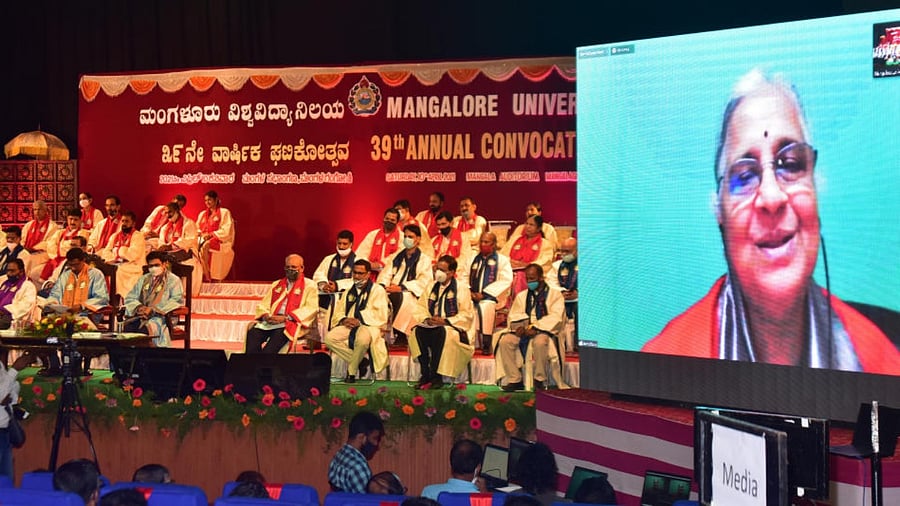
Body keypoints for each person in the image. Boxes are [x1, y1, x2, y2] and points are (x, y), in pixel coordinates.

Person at [642, 69, 900, 373]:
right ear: (719, 212)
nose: (772, 197)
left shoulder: (882, 360)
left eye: (790, 164)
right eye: (745, 176)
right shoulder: (663, 364)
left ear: (815, 186)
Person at [495, 263, 566, 391]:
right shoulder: (522, 296)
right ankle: (515, 379)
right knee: (505, 341)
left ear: (541, 278)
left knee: (540, 342)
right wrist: (519, 327)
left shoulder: (555, 295)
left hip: (545, 330)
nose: (529, 282)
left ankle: (539, 378)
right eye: (527, 279)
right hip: (526, 330)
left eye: (532, 278)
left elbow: (556, 317)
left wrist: (536, 327)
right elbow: (514, 315)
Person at [410, 255, 474, 388]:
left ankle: (436, 376)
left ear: (452, 273)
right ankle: (425, 374)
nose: (438, 273)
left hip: (451, 326)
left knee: (441, 333)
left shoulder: (461, 288)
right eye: (437, 269)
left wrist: (445, 321)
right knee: (417, 332)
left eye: (442, 270)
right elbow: (420, 306)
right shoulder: (431, 286)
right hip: (432, 324)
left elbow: (466, 314)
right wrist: (427, 319)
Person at [325, 260, 390, 383]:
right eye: (355, 273)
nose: (357, 276)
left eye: (361, 273)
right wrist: (344, 319)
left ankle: (352, 372)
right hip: (350, 325)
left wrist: (359, 320)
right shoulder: (349, 290)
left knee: (362, 340)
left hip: (370, 326)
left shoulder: (377, 290)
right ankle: (360, 361)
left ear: (368, 274)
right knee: (329, 339)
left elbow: (380, 314)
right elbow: (339, 311)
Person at [246, 254, 318, 353]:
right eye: (287, 267)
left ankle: (263, 366)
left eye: (293, 267)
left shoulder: (310, 285)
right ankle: (252, 366)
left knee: (270, 349)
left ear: (302, 268)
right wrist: (266, 316)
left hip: (291, 322)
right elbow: (264, 304)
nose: (290, 270)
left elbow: (311, 308)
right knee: (253, 334)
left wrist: (286, 318)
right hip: (272, 321)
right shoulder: (277, 284)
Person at [377, 224, 434, 345]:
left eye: (411, 236)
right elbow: (385, 274)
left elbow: (424, 281)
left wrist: (402, 287)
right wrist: (383, 286)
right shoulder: (396, 257)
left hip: (411, 292)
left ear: (418, 239)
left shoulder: (424, 259)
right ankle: (379, 335)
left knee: (402, 297)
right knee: (378, 294)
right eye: (405, 236)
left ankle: (400, 334)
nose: (407, 239)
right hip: (392, 289)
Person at [463, 232, 513, 355]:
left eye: (486, 242)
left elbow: (506, 280)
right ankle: (467, 341)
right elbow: (463, 277)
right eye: (481, 241)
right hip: (471, 296)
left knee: (486, 306)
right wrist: (469, 291)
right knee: (465, 306)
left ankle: (486, 341)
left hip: (493, 297)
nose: (482, 244)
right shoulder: (471, 259)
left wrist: (485, 294)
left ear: (494, 244)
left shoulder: (502, 260)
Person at [123, 251, 184, 347]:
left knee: (145, 330)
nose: (153, 268)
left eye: (156, 265)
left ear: (164, 264)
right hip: (142, 315)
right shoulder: (143, 279)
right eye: (150, 266)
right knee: (127, 328)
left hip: (162, 317)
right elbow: (130, 297)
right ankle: (130, 360)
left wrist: (153, 309)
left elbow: (176, 300)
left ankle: (148, 359)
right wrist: (139, 307)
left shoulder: (174, 280)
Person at [328, 410, 384, 493]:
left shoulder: (339, 455)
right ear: (361, 437)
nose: (376, 444)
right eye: (375, 438)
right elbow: (366, 502)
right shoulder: (358, 467)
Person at [501, 215, 555, 297]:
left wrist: (528, 265)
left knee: (519, 276)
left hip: (529, 273)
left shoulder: (545, 243)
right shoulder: (515, 239)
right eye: (526, 224)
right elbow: (502, 255)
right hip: (510, 270)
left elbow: (545, 261)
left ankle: (519, 303)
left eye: (531, 225)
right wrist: (510, 261)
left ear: (539, 228)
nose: (527, 227)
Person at [0, 352, 34, 480]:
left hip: (4, 430)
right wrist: (14, 369)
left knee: (7, 482)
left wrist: (9, 397)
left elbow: (12, 389)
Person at [156, 201, 201, 296]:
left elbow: (189, 241)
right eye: (166, 213)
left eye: (170, 212)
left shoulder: (188, 224)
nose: (168, 215)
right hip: (169, 254)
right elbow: (161, 242)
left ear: (177, 211)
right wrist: (163, 247)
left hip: (185, 253)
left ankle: (170, 290)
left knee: (168, 259)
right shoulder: (165, 228)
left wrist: (171, 246)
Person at [101, 210, 147, 297]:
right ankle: (110, 299)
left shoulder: (138, 236)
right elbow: (106, 252)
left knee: (118, 271)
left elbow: (133, 254)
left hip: (134, 266)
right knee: (107, 269)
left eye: (127, 221)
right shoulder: (115, 236)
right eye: (122, 221)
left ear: (133, 223)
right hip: (117, 264)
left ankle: (122, 299)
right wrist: (117, 255)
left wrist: (117, 250)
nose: (124, 223)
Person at [40, 208, 90, 282]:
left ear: (80, 221)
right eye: (70, 219)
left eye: (75, 220)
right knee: (35, 273)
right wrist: (57, 255)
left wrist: (60, 247)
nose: (72, 222)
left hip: (73, 261)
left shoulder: (83, 233)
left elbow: (76, 249)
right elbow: (51, 245)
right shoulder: (60, 232)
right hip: (56, 258)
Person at [546, 237, 578, 352]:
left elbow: (593, 284)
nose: (564, 254)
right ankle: (555, 344)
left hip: (580, 300)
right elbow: (550, 282)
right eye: (562, 251)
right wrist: (561, 292)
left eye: (567, 251)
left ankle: (578, 344)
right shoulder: (557, 265)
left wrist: (578, 293)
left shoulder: (587, 264)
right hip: (561, 299)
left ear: (577, 250)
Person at [197, 190, 235, 282]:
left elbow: (226, 230)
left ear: (216, 200)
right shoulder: (202, 214)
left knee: (205, 245)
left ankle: (206, 274)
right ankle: (200, 274)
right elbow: (197, 227)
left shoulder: (224, 212)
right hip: (203, 238)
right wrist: (199, 233)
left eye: (209, 200)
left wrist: (211, 235)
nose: (207, 202)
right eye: (205, 200)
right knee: (194, 245)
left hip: (219, 240)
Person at [313, 229, 356, 308]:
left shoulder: (358, 260)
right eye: (339, 243)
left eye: (345, 244)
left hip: (349, 302)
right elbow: (318, 275)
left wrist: (337, 286)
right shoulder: (329, 259)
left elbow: (357, 281)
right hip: (327, 301)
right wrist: (324, 285)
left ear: (351, 244)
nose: (341, 247)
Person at [22, 200, 61, 283]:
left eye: (39, 209)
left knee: (29, 260)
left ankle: (28, 282)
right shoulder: (29, 225)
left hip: (43, 253)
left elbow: (49, 243)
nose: (37, 212)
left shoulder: (52, 226)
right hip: (27, 251)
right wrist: (24, 248)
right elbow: (23, 240)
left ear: (45, 210)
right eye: (35, 209)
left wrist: (33, 249)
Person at [356, 208, 402, 274]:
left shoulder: (402, 237)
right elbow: (361, 253)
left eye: (392, 220)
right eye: (387, 218)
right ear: (383, 219)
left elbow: (399, 256)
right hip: (369, 271)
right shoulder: (373, 234)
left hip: (390, 272)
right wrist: (368, 264)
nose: (389, 221)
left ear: (397, 222)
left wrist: (381, 264)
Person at [0, 259, 37, 330]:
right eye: (8, 270)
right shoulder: (5, 284)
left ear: (21, 272)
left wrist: (4, 310)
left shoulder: (28, 286)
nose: (9, 273)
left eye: (12, 271)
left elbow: (25, 306)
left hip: (11, 317)